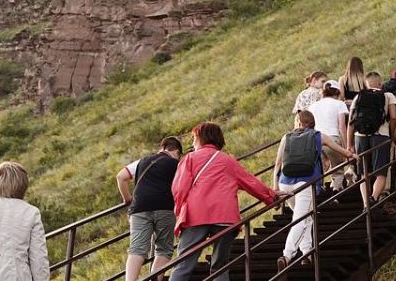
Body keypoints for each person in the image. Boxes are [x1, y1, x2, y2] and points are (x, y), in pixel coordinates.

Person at [169, 122, 276, 281]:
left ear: (201, 138)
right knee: (220, 266)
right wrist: (272, 196)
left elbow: (179, 188)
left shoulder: (190, 158)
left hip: (196, 215)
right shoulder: (228, 160)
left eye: (193, 138)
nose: (192, 143)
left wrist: (179, 211)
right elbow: (250, 182)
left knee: (183, 265)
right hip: (225, 217)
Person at [272, 110, 355, 273]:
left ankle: (307, 254)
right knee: (300, 220)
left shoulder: (286, 137)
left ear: (298, 122)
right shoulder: (319, 136)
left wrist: (275, 188)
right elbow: (339, 149)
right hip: (306, 184)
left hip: (285, 184)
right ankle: (287, 255)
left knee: (306, 217)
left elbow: (277, 165)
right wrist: (352, 156)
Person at [116, 137, 183, 281]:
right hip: (164, 208)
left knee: (137, 249)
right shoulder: (176, 164)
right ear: (177, 151)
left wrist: (128, 199)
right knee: (164, 249)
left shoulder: (142, 161)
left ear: (162, 148)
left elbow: (121, 177)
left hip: (139, 208)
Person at [344, 72, 396, 204]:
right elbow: (393, 117)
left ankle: (365, 205)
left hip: (360, 137)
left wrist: (349, 144)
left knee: (364, 174)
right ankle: (373, 197)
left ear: (366, 84)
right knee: (381, 173)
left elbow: (351, 121)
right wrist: (390, 134)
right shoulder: (388, 95)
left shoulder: (359, 96)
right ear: (380, 83)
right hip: (380, 137)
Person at [308, 80, 352, 189]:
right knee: (337, 169)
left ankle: (318, 191)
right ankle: (335, 193)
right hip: (333, 139)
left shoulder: (313, 106)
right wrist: (346, 147)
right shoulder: (339, 104)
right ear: (337, 92)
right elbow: (342, 126)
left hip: (316, 139)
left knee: (320, 168)